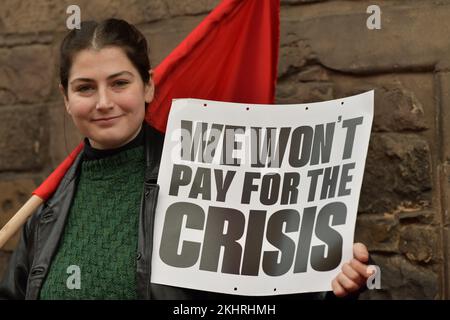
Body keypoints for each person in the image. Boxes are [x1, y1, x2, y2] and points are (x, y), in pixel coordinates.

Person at [0, 18, 372, 300]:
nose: (103, 102)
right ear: (66, 99)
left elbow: (261, 296)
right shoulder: (46, 211)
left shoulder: (207, 178)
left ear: (148, 86)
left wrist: (331, 288)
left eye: (119, 83)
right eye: (85, 88)